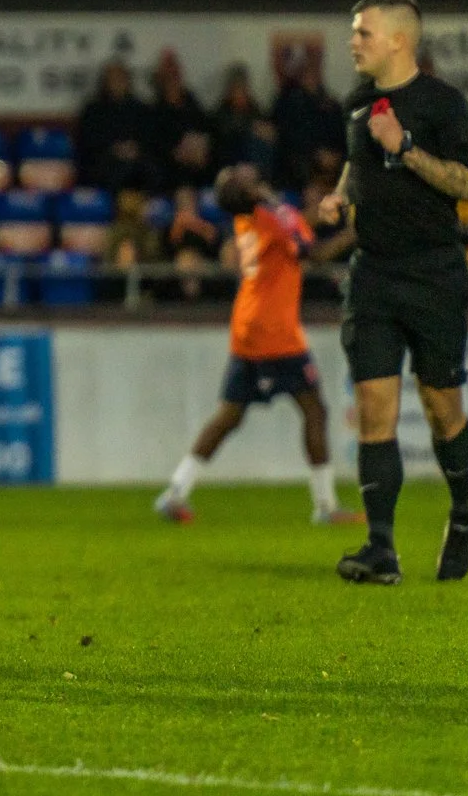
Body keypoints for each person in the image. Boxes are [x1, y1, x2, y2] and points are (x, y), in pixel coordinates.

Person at [314, 0, 468, 586]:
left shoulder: (444, 104)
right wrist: (342, 193)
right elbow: (356, 162)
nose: (353, 41)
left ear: (398, 41)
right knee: (373, 411)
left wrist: (406, 149)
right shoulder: (357, 102)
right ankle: (381, 547)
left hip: (435, 273)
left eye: (362, 32)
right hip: (374, 274)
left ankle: (461, 516)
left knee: (443, 410)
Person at [155, 166, 357, 526]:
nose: (251, 174)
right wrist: (353, 234)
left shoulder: (252, 220)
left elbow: (292, 223)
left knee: (229, 416)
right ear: (248, 194)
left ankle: (175, 491)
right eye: (243, 178)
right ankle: (325, 506)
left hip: (247, 327)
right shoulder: (269, 218)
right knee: (315, 411)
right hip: (274, 332)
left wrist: (319, 213)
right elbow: (311, 253)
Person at [76, 60, 154, 193]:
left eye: (121, 78)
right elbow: (87, 142)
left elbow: (149, 138)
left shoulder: (140, 108)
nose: (117, 83)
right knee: (117, 169)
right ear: (104, 82)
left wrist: (134, 148)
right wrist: (115, 149)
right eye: (113, 79)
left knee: (150, 170)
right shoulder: (93, 110)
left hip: (136, 161)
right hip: (104, 162)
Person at [270, 57, 346, 192]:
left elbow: (340, 132)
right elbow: (288, 135)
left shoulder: (330, 103)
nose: (311, 78)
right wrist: (316, 153)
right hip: (302, 161)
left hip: (331, 157)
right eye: (307, 74)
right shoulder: (289, 101)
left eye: (314, 73)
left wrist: (335, 155)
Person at [145, 52, 213, 193]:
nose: (172, 78)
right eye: (168, 74)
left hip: (196, 166)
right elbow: (152, 143)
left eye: (175, 73)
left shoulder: (192, 103)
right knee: (180, 178)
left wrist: (199, 148)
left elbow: (205, 130)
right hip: (168, 169)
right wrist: (175, 152)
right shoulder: (155, 109)